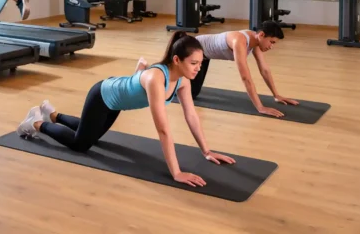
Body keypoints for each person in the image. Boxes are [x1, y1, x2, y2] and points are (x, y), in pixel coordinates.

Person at [17, 32, 235, 188]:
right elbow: (163, 130)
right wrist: (176, 172)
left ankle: (52, 113)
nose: (199, 68)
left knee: (93, 134)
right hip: (102, 96)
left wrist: (206, 151)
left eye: (200, 63)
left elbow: (191, 116)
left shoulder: (183, 80)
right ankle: (36, 123)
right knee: (81, 144)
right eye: (194, 63)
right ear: (177, 60)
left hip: (116, 103)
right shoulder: (156, 79)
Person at [166, 21, 298, 118]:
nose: (271, 46)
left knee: (193, 93)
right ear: (262, 35)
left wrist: (276, 95)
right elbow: (245, 77)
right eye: (272, 42)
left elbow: (264, 70)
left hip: (204, 57)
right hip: (192, 52)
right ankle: (157, 79)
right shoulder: (239, 41)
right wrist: (260, 107)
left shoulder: (256, 41)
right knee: (177, 91)